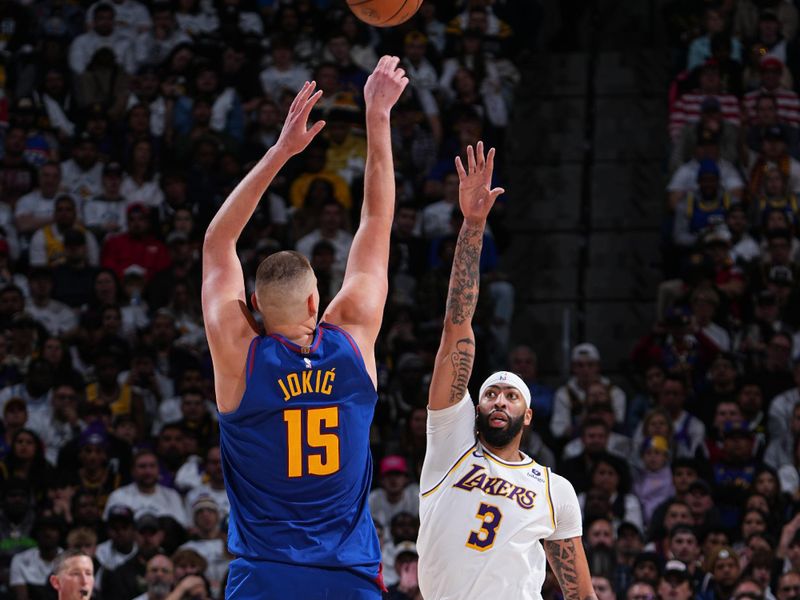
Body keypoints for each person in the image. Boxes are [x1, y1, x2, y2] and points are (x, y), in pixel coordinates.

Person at [201, 58, 408, 598]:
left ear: (253, 305)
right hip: (347, 575)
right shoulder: (354, 337)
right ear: (318, 299)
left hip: (263, 575)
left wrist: (281, 152)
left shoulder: (238, 353)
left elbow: (218, 245)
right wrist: (377, 114)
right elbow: (376, 222)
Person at [416, 142, 593, 600]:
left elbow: (580, 594)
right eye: (491, 393)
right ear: (476, 406)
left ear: (528, 416)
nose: (499, 399)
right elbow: (457, 322)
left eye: (512, 396)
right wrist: (474, 226)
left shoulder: (556, 490)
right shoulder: (451, 445)